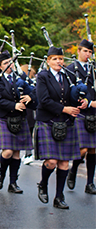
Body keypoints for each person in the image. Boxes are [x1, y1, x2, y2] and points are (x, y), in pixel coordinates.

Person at [35, 46, 86, 210]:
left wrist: (82, 101)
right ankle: (43, 183)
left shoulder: (69, 75)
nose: (59, 61)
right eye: (55, 59)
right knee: (51, 161)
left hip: (66, 123)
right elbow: (43, 100)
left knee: (64, 163)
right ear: (48, 61)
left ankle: (59, 196)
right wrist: (64, 109)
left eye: (61, 59)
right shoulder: (43, 76)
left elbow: (75, 95)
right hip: (48, 121)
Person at [0, 51, 37, 194]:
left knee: (17, 153)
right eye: (6, 63)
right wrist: (13, 105)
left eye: (10, 62)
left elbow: (33, 91)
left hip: (19, 118)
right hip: (3, 117)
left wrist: (29, 97)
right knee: (8, 152)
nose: (9, 65)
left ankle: (13, 183)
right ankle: (1, 175)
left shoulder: (20, 77)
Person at [67, 39, 96, 194]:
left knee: (94, 149)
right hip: (79, 112)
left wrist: (92, 102)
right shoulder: (71, 68)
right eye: (85, 51)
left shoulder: (94, 67)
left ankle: (90, 183)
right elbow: (69, 91)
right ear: (78, 51)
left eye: (90, 52)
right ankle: (74, 169)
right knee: (83, 149)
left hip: (94, 111)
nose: (88, 54)